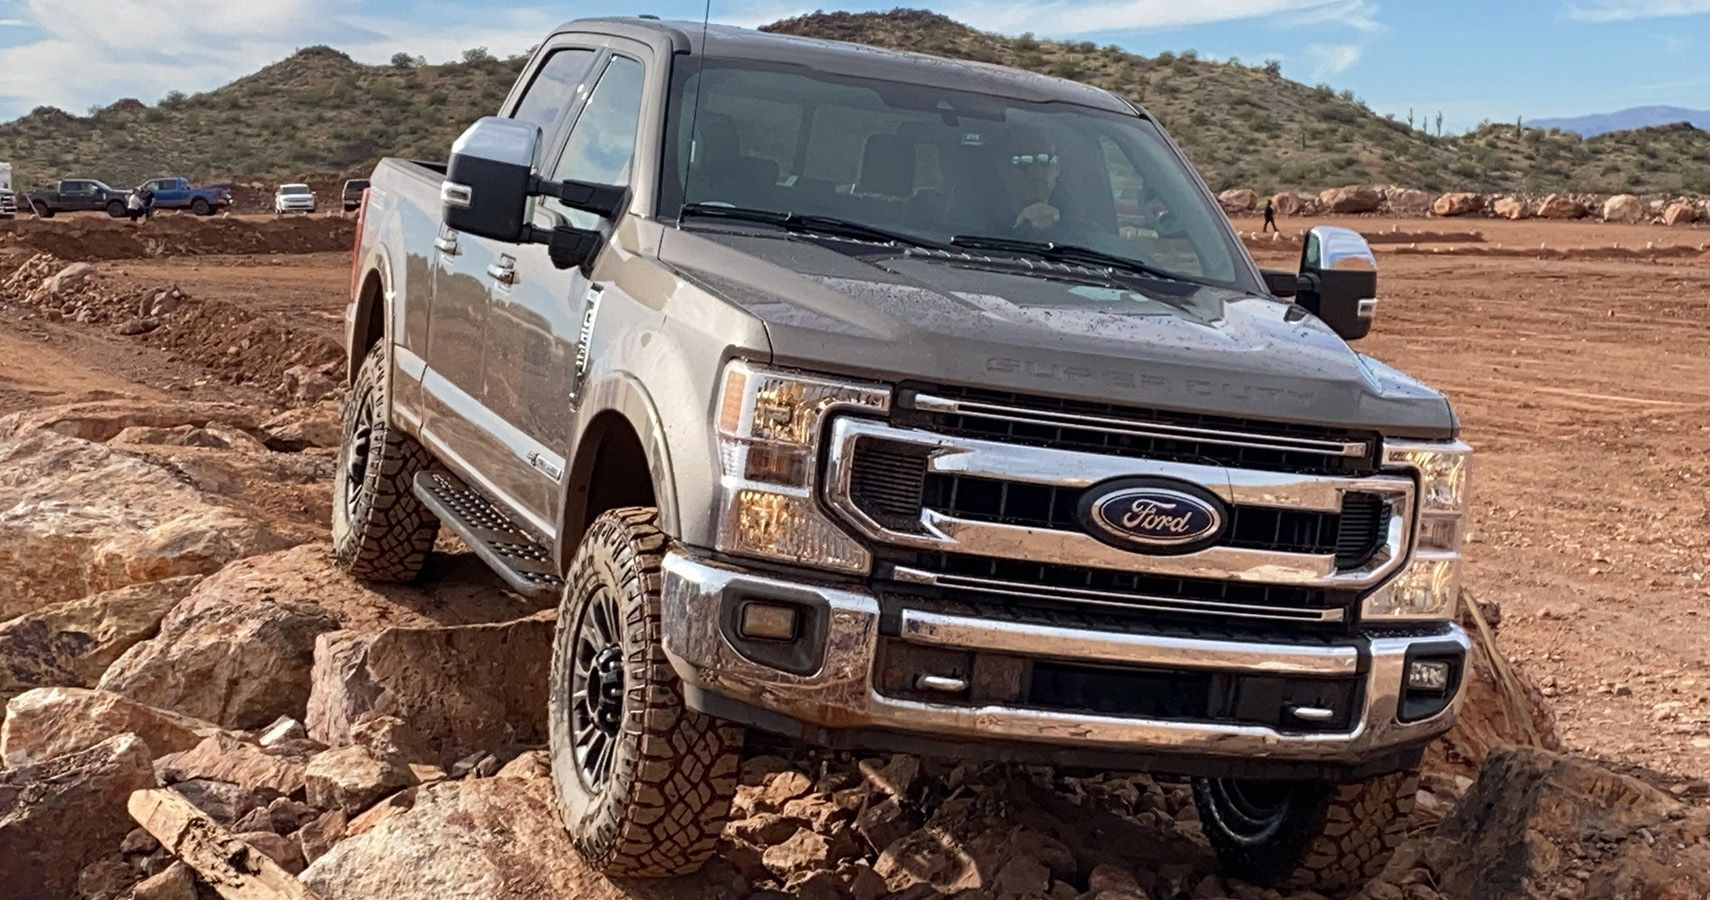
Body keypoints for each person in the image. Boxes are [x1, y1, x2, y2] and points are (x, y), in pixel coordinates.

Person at [1003, 127, 1062, 234]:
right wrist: (1020, 229)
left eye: (1044, 160)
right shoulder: (978, 226)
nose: (1036, 170)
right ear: (1004, 170)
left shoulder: (1082, 236)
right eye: (1022, 161)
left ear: (1058, 168)